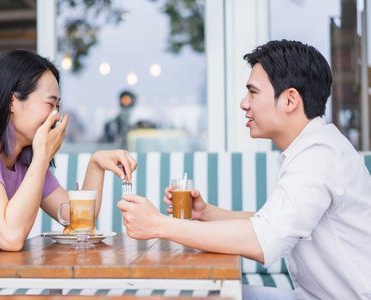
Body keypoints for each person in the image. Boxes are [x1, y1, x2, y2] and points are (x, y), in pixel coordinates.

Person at [118, 40, 371, 299]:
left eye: (253, 92)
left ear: (290, 99)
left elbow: (265, 239)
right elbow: (273, 221)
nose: (243, 103)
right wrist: (206, 213)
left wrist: (158, 225)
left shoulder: (318, 155)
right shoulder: (310, 148)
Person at [0, 49, 136, 295]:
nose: (56, 116)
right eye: (50, 104)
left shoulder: (25, 160)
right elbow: (10, 237)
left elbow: (79, 221)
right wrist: (43, 156)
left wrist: (96, 165)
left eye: (58, 105)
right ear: (13, 101)